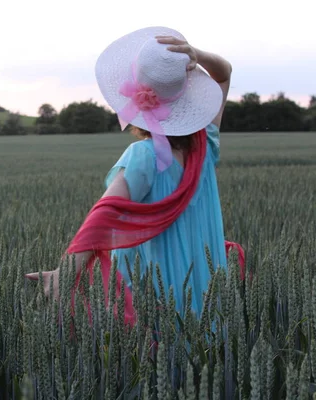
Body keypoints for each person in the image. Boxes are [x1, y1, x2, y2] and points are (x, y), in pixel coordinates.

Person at [25, 26, 244, 323]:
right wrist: (197, 54)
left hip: (155, 295)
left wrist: (64, 274)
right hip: (207, 288)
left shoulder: (144, 156)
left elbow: (105, 215)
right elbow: (224, 74)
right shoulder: (207, 143)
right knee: (206, 357)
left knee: (156, 360)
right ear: (189, 92)